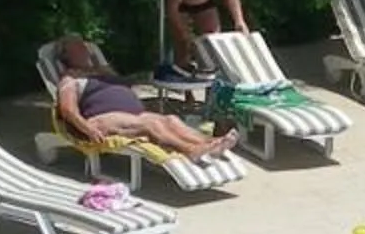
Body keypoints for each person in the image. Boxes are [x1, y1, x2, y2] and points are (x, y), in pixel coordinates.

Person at [49, 37, 240, 161]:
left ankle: (210, 143)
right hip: (101, 119)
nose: (84, 49)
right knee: (151, 126)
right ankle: (191, 150)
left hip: (132, 114)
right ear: (67, 56)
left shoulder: (101, 71)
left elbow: (127, 84)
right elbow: (67, 110)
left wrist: (103, 69)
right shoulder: (70, 78)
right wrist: (86, 128)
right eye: (78, 48)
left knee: (171, 120)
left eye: (84, 46)